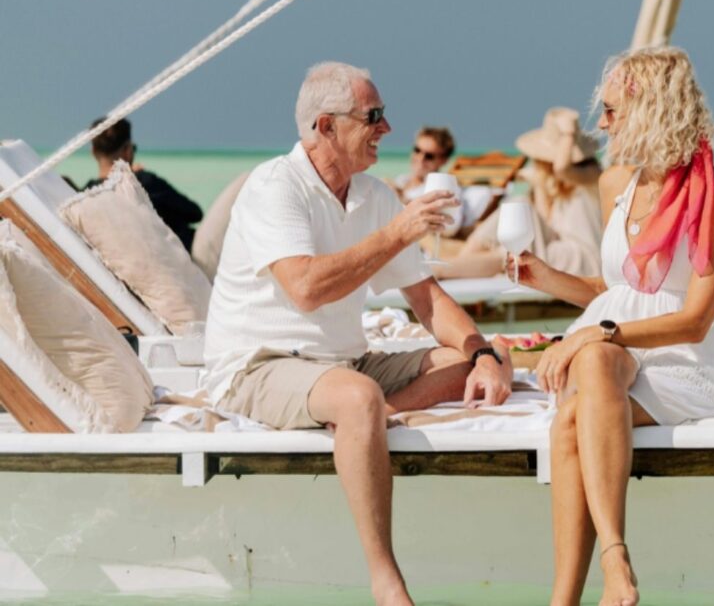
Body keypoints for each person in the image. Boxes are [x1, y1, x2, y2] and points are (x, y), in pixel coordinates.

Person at [202, 61, 512, 606]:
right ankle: (386, 580)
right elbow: (304, 288)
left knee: (477, 359)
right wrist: (396, 234)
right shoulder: (275, 187)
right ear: (325, 126)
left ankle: (366, 424)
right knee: (359, 395)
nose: (386, 128)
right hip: (259, 364)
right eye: (374, 116)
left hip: (341, 362)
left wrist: (483, 353)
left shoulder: (373, 195)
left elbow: (426, 298)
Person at [509, 47, 714, 606]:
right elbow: (612, 292)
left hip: (686, 362)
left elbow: (694, 320)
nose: (602, 124)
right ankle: (575, 594)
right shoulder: (615, 183)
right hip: (615, 351)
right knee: (580, 397)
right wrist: (543, 277)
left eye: (613, 110)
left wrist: (600, 334)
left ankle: (612, 560)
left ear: (653, 111)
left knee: (581, 393)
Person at [436, 107, 603, 280]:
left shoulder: (592, 175)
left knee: (511, 251)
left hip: (584, 262)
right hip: (557, 253)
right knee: (519, 206)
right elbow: (547, 225)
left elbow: (562, 168)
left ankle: (445, 270)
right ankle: (460, 261)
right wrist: (539, 186)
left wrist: (568, 135)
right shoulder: (556, 188)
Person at [83, 117, 204, 251]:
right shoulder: (143, 181)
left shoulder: (86, 194)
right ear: (128, 150)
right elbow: (194, 213)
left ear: (93, 152)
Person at [390, 126, 456, 203]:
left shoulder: (440, 191)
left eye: (429, 156)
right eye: (417, 150)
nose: (420, 158)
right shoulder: (401, 180)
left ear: (443, 161)